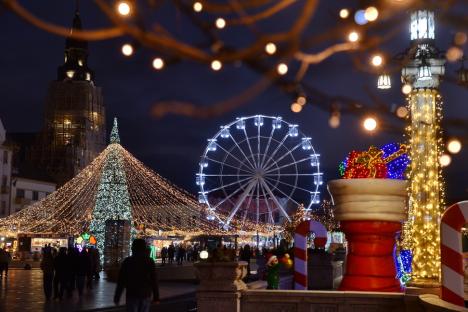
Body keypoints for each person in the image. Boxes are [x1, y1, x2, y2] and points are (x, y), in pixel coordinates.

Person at [114, 239, 159, 312]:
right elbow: (154, 279)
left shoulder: (128, 261)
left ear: (133, 248)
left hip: (132, 293)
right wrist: (156, 297)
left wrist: (117, 296)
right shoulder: (149, 261)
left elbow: (121, 280)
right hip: (145, 293)